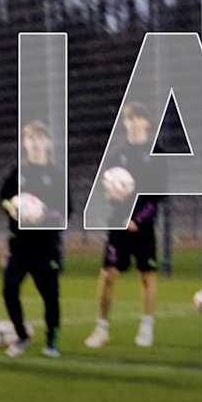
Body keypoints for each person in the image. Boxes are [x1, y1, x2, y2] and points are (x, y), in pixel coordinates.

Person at [84, 103, 161, 349]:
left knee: (147, 276)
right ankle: (102, 328)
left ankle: (147, 327)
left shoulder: (157, 154)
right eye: (129, 119)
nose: (133, 122)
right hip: (118, 225)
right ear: (125, 123)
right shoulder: (117, 155)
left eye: (138, 118)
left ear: (147, 123)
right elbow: (106, 189)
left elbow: (157, 197)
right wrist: (112, 196)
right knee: (108, 275)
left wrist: (138, 220)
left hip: (144, 227)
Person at [0, 120, 65, 358]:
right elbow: (3, 199)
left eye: (39, 138)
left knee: (50, 295)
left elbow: (66, 209)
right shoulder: (17, 172)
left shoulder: (56, 175)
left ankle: (52, 340)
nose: (35, 143)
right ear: (25, 143)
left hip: (46, 246)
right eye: (30, 139)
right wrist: (11, 208)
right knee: (9, 289)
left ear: (47, 143)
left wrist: (44, 214)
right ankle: (22, 336)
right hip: (20, 246)